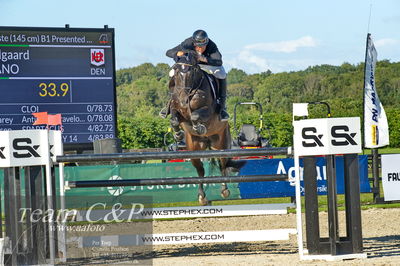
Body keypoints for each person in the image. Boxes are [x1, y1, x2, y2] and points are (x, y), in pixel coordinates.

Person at [160, 29, 229, 121]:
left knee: (222, 74)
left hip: (207, 65)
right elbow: (168, 52)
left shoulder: (212, 46)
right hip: (191, 65)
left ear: (206, 43)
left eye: (202, 46)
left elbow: (219, 61)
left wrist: (204, 59)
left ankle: (222, 107)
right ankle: (170, 102)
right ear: (193, 43)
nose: (200, 49)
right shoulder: (187, 42)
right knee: (172, 72)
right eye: (197, 46)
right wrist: (176, 53)